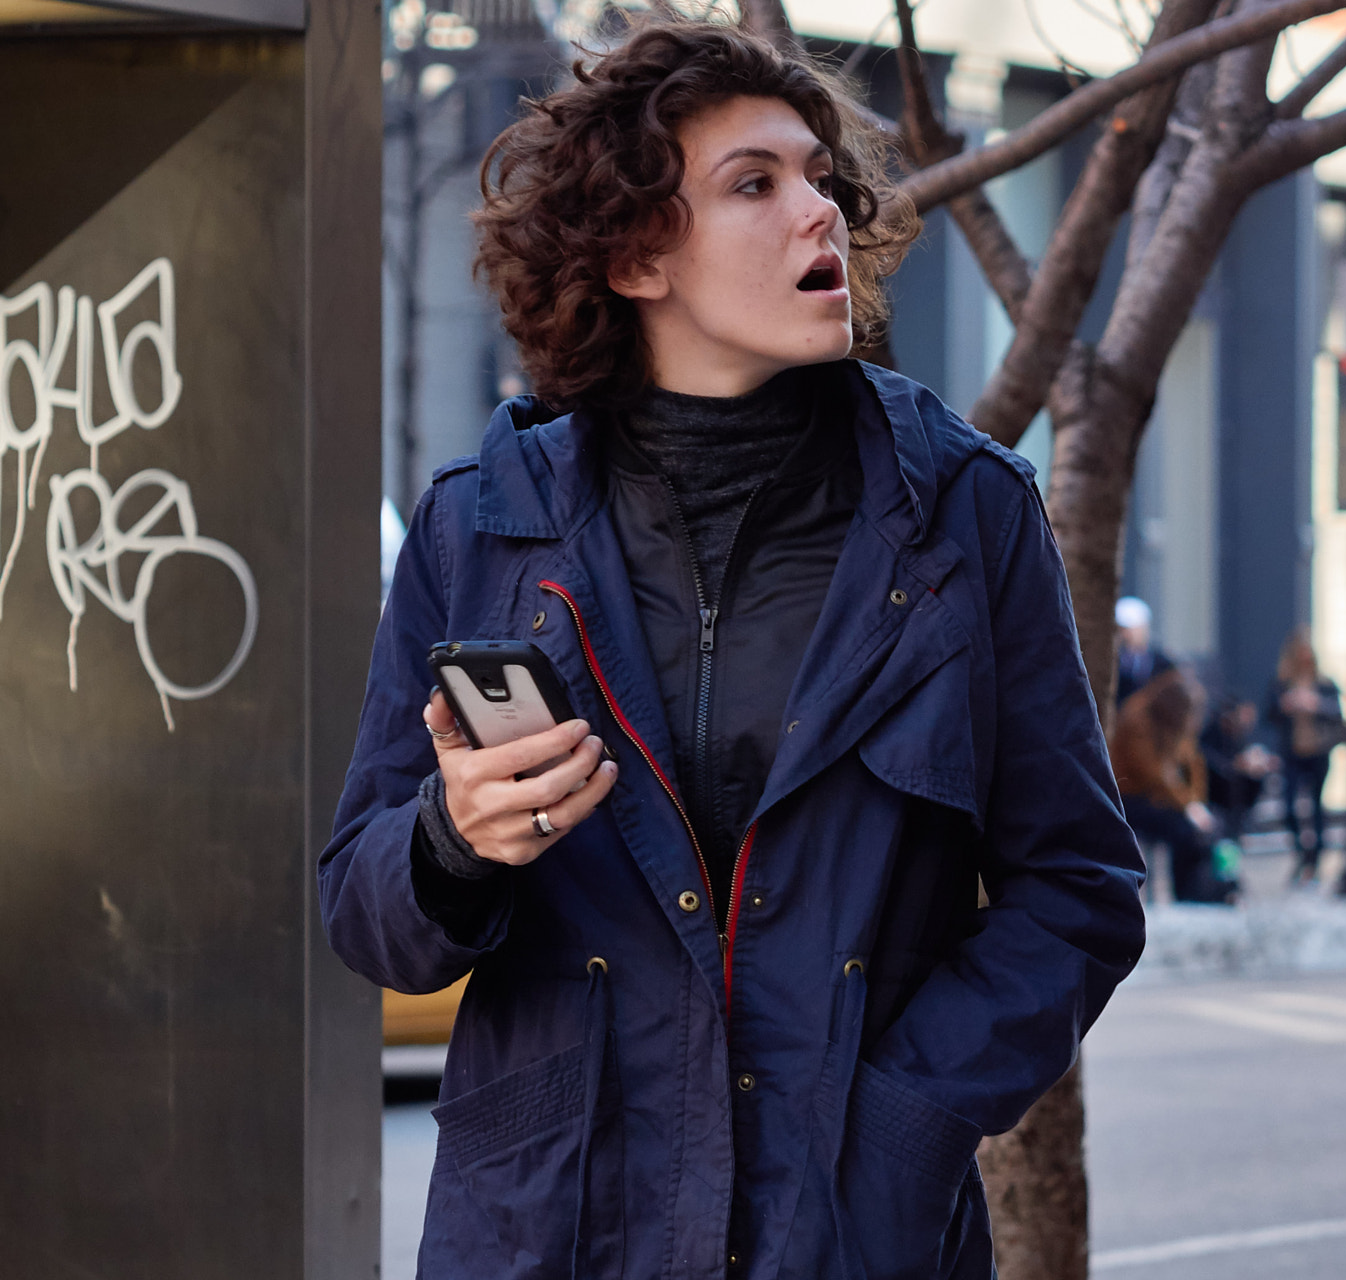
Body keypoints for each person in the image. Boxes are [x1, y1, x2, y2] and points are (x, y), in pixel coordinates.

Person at [318, 23, 1145, 1280]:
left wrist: (906, 1126)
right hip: (550, 1229)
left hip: (849, 1230)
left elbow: (1076, 891)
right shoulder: (480, 518)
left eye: (818, 175)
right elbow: (365, 913)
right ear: (636, 252)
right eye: (754, 183)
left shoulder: (963, 515)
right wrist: (453, 838)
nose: (819, 211)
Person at [1110, 669, 1237, 904]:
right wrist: (1188, 806)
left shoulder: (1174, 723)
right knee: (1183, 830)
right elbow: (1152, 774)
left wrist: (1197, 804)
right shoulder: (1137, 717)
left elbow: (1192, 764)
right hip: (1131, 797)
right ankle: (1186, 895)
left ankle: (1214, 888)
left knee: (1213, 823)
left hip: (1163, 796)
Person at [1265, 631, 1346, 885]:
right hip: (1292, 753)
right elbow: (1268, 715)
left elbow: (1339, 716)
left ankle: (1315, 861)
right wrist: (1286, 705)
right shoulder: (1282, 683)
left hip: (1318, 751)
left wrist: (1316, 704)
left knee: (1316, 807)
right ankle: (1302, 853)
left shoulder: (1324, 684)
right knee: (1288, 806)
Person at [1199, 697, 1275, 842]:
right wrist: (1239, 765)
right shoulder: (1213, 733)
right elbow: (1213, 763)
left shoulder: (1236, 735)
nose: (1249, 721)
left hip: (1233, 793)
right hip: (1214, 791)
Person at [1114, 595, 1175, 707]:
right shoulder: (1112, 664)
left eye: (1133, 629)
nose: (1127, 635)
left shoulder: (1164, 664)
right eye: (1122, 630)